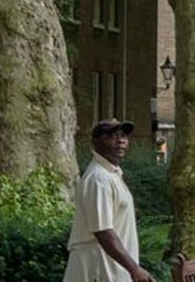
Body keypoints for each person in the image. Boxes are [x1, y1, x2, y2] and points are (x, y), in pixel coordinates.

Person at [64, 119, 155, 282]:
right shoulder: (99, 179)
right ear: (95, 142)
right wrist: (134, 269)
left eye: (124, 136)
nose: (120, 140)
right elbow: (103, 231)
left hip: (110, 268)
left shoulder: (111, 175)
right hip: (98, 267)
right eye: (112, 136)